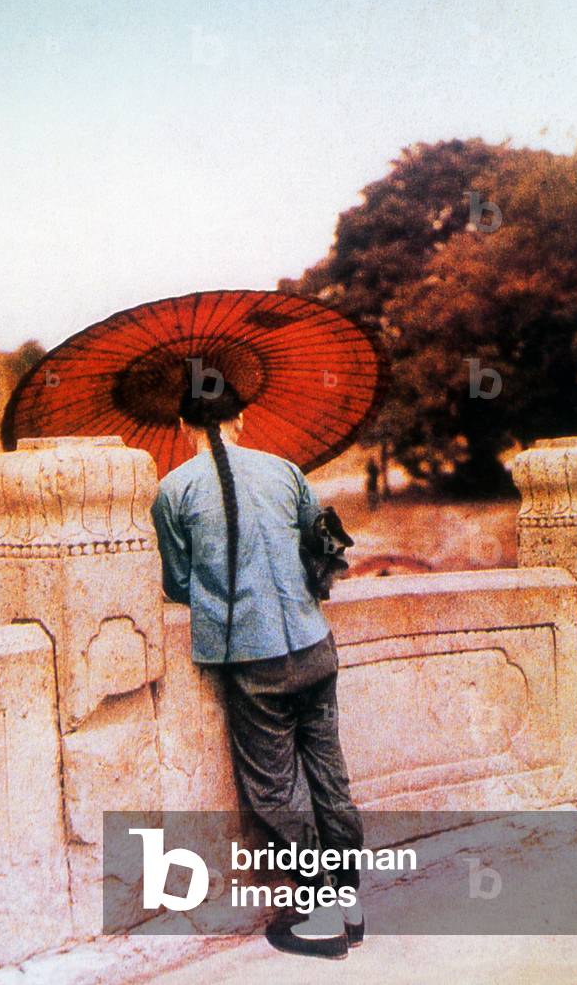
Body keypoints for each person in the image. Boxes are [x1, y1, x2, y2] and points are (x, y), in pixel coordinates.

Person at [150, 378, 365, 960]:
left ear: (181, 427)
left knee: (274, 788)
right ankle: (350, 902)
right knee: (329, 773)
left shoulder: (171, 491)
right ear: (240, 418)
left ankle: (317, 914)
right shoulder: (285, 471)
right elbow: (315, 541)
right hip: (315, 645)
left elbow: (177, 583)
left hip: (253, 659)